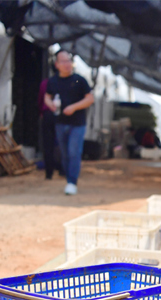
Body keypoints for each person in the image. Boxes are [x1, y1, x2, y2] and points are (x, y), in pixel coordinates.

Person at [45, 49, 94, 195]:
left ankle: (72, 181)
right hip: (60, 121)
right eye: (63, 61)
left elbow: (89, 98)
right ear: (57, 64)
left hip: (77, 123)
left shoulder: (78, 79)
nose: (67, 64)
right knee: (64, 153)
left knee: (74, 151)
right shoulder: (53, 81)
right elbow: (47, 96)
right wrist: (50, 105)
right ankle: (68, 178)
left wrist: (74, 107)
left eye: (69, 61)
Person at [37, 76, 59, 179]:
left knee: (48, 144)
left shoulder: (45, 83)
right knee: (59, 143)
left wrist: (42, 112)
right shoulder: (62, 82)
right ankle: (62, 169)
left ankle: (49, 172)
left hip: (48, 114)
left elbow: (40, 100)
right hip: (58, 115)